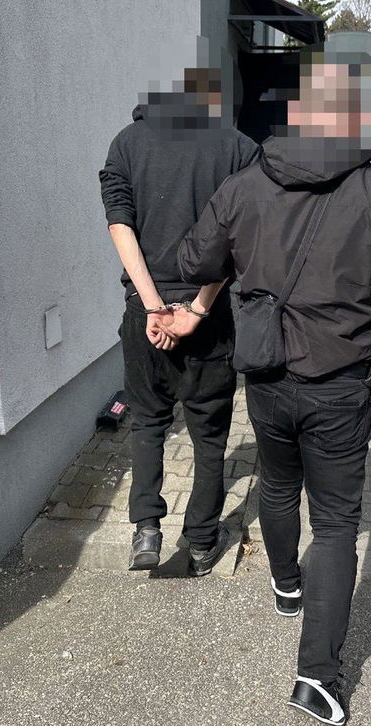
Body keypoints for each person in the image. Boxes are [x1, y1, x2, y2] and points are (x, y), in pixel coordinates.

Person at [174, 49, 371, 726]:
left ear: (295, 113)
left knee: (275, 482)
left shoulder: (242, 187)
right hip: (341, 385)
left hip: (266, 376)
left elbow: (193, 260)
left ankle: (286, 586)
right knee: (337, 524)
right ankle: (317, 679)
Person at [99, 64, 259, 576]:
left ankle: (146, 529)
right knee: (209, 436)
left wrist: (152, 305)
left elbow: (119, 225)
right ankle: (202, 543)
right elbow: (241, 238)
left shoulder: (126, 143)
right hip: (208, 316)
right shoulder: (237, 148)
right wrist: (195, 309)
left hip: (143, 313)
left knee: (148, 421)